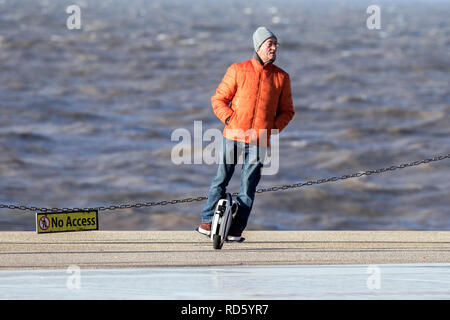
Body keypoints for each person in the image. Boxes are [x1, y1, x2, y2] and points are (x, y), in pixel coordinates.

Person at [197, 26, 295, 241]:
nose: (274, 48)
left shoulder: (281, 77)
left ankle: (235, 229)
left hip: (259, 141)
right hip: (232, 135)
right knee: (221, 178)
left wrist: (271, 128)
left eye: (276, 44)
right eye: (270, 44)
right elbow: (218, 99)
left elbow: (288, 111)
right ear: (259, 46)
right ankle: (207, 221)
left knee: (248, 186)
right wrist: (230, 119)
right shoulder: (238, 70)